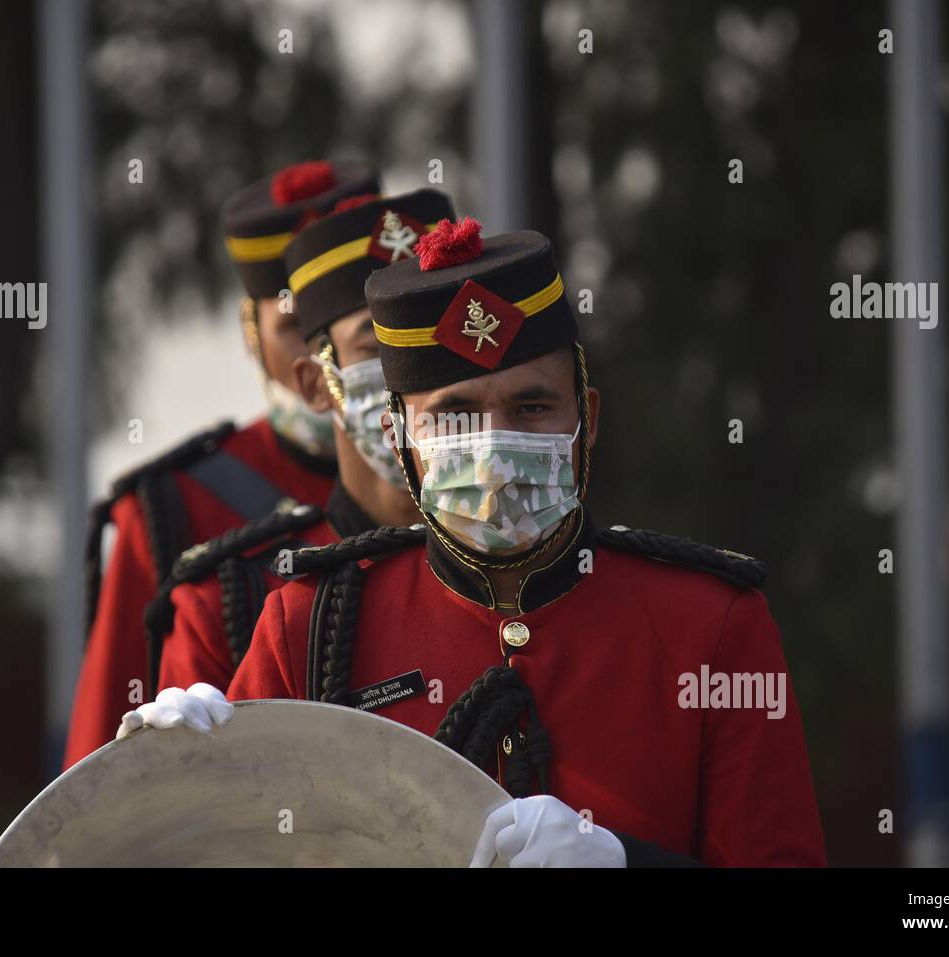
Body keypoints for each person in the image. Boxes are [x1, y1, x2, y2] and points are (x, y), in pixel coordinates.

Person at [120, 219, 826, 868]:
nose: (492, 449)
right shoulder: (308, 628)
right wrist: (169, 798)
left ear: (589, 419)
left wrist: (625, 862)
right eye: (454, 414)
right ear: (399, 441)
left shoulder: (711, 626)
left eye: (530, 406)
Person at [62, 159, 379, 769]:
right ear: (250, 333)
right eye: (296, 327)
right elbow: (94, 770)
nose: (325, 355)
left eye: (358, 328)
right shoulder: (171, 506)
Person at [146, 189, 454, 694]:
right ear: (314, 383)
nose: (415, 370)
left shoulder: (525, 575)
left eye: (432, 338)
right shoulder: (234, 604)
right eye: (376, 347)